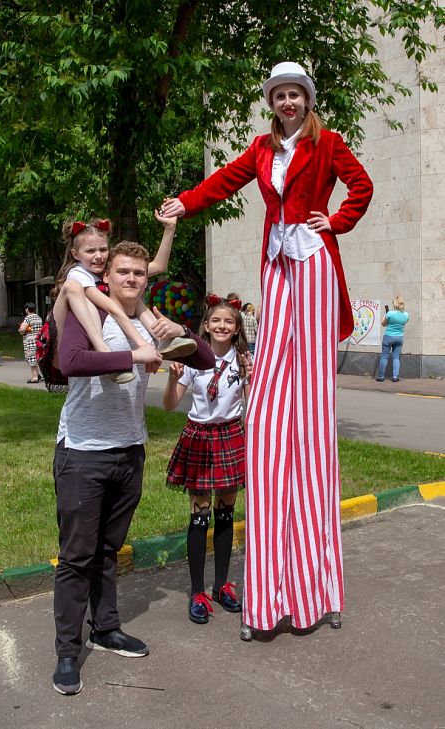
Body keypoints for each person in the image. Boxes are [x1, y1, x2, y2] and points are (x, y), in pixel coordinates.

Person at [162, 61, 373, 634]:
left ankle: (315, 579)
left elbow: (363, 186)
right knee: (273, 388)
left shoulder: (327, 142)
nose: (287, 103)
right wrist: (185, 202)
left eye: (295, 95)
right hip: (278, 267)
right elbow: (223, 182)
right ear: (273, 102)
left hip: (314, 263)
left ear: (307, 100)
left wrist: (338, 221)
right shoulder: (259, 148)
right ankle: (266, 415)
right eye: (279, 96)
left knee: (309, 392)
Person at [52, 240, 215, 696]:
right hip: (83, 451)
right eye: (122, 272)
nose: (130, 279)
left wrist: (176, 328)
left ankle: (106, 628)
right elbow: (71, 361)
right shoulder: (88, 309)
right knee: (77, 556)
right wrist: (134, 355)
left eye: (138, 274)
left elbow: (203, 358)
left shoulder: (148, 320)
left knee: (108, 549)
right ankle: (68, 651)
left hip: (128, 450)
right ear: (109, 276)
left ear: (146, 278)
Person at [163, 296, 252, 624]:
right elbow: (171, 404)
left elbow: (253, 405)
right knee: (200, 517)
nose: (222, 326)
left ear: (237, 327)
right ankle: (197, 591)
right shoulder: (191, 358)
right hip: (200, 438)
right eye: (216, 321)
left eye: (229, 322)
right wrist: (173, 377)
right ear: (206, 325)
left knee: (226, 514)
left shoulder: (243, 360)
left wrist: (253, 377)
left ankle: (222, 586)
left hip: (230, 436)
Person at [52, 212, 196, 384]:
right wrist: (142, 345)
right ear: (75, 254)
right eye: (90, 251)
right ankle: (103, 351)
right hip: (59, 333)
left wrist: (170, 228)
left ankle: (164, 338)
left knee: (132, 293)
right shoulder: (78, 274)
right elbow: (114, 310)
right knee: (78, 288)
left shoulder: (110, 272)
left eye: (103, 249)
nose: (98, 256)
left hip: (96, 317)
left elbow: (159, 265)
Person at [376, 297, 409, 383]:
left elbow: (383, 324)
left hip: (388, 336)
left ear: (395, 304)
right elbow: (403, 323)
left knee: (384, 357)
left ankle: (381, 376)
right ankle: (395, 377)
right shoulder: (406, 315)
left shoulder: (390, 313)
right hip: (399, 337)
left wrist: (385, 315)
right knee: (396, 357)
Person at [18, 302, 43, 383]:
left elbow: (22, 330)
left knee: (31, 358)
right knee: (37, 357)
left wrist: (21, 330)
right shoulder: (38, 317)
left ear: (27, 309)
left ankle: (35, 377)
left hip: (30, 341)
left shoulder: (28, 318)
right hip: (38, 340)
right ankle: (39, 375)